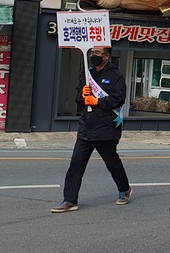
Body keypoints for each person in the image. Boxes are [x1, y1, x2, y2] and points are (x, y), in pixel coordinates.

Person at [51, 47, 131, 213]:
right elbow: (78, 99)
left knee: (112, 163)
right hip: (87, 127)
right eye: (92, 53)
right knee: (76, 165)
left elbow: (118, 99)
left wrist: (98, 102)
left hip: (106, 128)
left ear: (107, 57)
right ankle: (70, 200)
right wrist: (83, 95)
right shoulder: (88, 75)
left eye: (98, 53)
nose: (94, 56)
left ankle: (124, 189)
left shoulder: (116, 76)